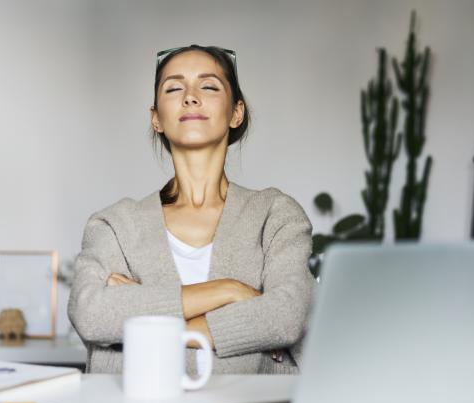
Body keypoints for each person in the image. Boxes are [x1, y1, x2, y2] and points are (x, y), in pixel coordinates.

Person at [67, 44, 316, 375]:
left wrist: (148, 317)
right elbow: (92, 314)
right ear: (156, 118)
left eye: (209, 86)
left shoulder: (277, 215)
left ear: (236, 113)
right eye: (173, 87)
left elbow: (286, 317)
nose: (190, 97)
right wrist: (229, 291)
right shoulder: (114, 225)